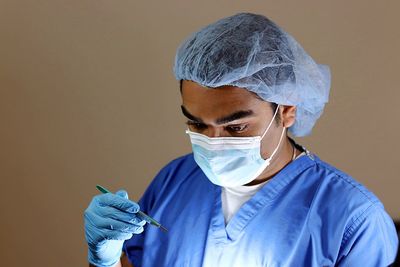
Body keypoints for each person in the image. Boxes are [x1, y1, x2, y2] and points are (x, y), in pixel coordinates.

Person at [84, 13, 399, 267]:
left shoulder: (354, 220)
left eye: (235, 128)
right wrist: (105, 260)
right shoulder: (174, 181)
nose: (213, 142)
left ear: (287, 109)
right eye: (197, 124)